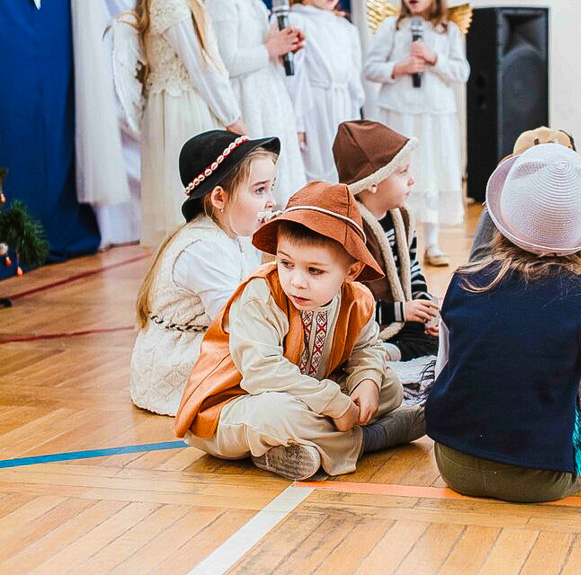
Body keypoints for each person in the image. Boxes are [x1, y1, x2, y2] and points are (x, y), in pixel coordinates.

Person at [426, 144, 581, 502]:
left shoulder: (461, 281)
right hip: (539, 481)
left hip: (453, 465)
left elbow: (443, 372)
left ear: (502, 218)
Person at [173, 181, 426, 480]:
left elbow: (366, 349)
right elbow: (262, 372)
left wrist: (366, 382)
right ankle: (372, 439)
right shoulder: (260, 295)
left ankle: (287, 453)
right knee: (279, 414)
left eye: (314, 270)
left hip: (306, 394)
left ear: (352, 271)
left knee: (389, 387)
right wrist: (333, 402)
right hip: (233, 408)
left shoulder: (357, 299)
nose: (296, 281)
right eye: (286, 263)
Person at [131, 130, 279, 415]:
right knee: (286, 369)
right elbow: (238, 325)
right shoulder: (205, 248)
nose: (271, 200)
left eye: (271, 187)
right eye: (260, 190)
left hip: (211, 348)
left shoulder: (236, 236)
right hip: (183, 363)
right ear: (220, 198)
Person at [469, 127, 581, 333]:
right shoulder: (500, 200)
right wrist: (524, 269)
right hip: (519, 288)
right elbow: (478, 264)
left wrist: (574, 267)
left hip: (573, 286)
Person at [132, 0, 247, 246]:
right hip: (183, 108)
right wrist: (232, 118)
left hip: (175, 104)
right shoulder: (171, 3)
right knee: (194, 196)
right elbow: (201, 67)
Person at [363, 0, 469, 267]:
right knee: (399, 176)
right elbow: (371, 68)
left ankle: (432, 243)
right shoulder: (392, 27)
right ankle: (400, 241)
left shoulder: (448, 30)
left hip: (435, 115)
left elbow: (461, 72)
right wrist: (399, 68)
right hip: (399, 113)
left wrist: (434, 58)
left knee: (431, 174)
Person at [333, 120, 439, 361]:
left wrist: (424, 307)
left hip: (399, 313)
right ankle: (380, 355)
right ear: (372, 182)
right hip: (371, 320)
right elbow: (349, 300)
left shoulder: (400, 217)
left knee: (445, 328)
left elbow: (411, 269)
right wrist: (402, 311)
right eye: (402, 172)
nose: (412, 180)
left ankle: (388, 352)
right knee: (424, 343)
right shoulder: (351, 228)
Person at [207, 0, 308, 204]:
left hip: (269, 98)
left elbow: (259, 54)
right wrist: (270, 48)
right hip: (247, 101)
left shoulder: (256, 4)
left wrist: (281, 49)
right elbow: (225, 62)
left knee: (281, 179)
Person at [288, 0, 365, 182]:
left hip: (343, 106)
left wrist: (356, 121)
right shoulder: (296, 21)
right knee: (315, 169)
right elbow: (294, 77)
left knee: (344, 169)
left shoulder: (346, 27)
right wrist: (298, 123)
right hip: (312, 107)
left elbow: (354, 78)